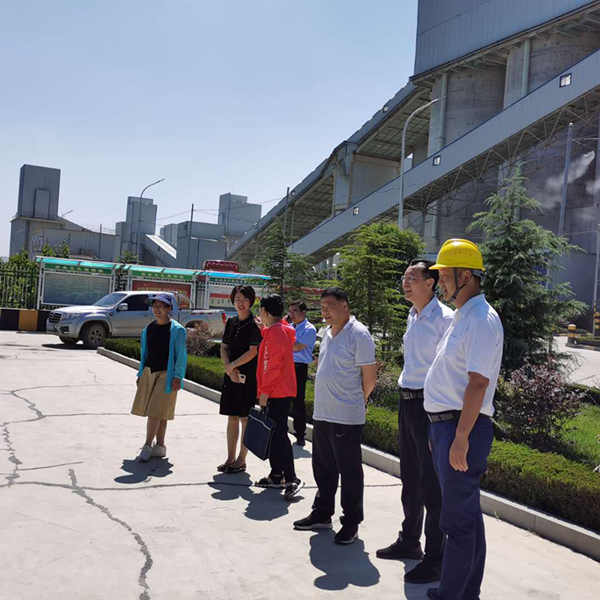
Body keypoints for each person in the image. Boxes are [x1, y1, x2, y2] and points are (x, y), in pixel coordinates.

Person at [423, 239, 503, 600]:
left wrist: (460, 437)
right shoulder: (463, 316)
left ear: (465, 276)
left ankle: (452, 595)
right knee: (467, 516)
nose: (439, 281)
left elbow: (478, 383)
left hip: (461, 428)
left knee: (456, 522)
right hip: (448, 426)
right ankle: (467, 592)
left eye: (444, 275)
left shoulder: (481, 320)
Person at [377, 260, 454, 584]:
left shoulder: (445, 319)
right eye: (404, 278)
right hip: (406, 402)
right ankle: (410, 541)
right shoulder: (413, 314)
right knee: (409, 478)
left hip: (429, 405)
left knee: (431, 486)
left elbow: (449, 368)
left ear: (430, 283)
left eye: (411, 278)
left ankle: (436, 559)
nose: (405, 283)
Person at [293, 287, 376, 544]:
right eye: (322, 306)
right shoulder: (327, 333)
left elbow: (369, 377)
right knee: (323, 467)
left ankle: (351, 523)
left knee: (349, 472)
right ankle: (322, 513)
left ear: (345, 306)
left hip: (346, 416)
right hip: (323, 413)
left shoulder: (359, 334)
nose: (325, 310)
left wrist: (359, 399)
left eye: (329, 305)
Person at [255, 294, 304, 500]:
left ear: (265, 311)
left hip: (276, 391)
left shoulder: (276, 332)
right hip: (280, 389)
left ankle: (292, 478)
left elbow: (272, 364)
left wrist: (264, 392)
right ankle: (277, 475)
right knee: (274, 433)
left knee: (279, 434)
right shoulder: (280, 329)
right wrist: (263, 329)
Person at [132, 293, 188, 461]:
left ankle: (147, 445)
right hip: (149, 372)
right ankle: (160, 446)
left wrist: (178, 376)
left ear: (169, 308)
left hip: (167, 374)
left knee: (155, 411)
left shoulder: (177, 330)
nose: (157, 309)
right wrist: (140, 373)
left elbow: (181, 355)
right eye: (154, 306)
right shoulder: (148, 329)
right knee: (161, 412)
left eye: (161, 306)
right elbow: (145, 354)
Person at [218, 285, 262, 474]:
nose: (240, 303)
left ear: (251, 301)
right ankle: (230, 458)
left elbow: (253, 352)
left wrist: (232, 366)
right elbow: (223, 347)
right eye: (237, 299)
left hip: (248, 376)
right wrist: (228, 368)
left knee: (245, 418)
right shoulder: (231, 322)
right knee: (232, 417)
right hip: (231, 375)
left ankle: (241, 460)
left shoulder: (255, 324)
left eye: (244, 299)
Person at [288, 300, 317, 447]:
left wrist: (283, 342)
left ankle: (300, 434)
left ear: (303, 312)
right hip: (286, 366)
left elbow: (297, 347)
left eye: (294, 311)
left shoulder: (309, 329)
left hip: (299, 368)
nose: (291, 314)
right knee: (282, 399)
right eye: (290, 311)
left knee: (298, 401)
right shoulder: (289, 326)